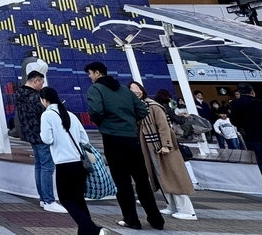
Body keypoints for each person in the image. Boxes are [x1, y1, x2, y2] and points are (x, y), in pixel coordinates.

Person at [84, 62, 164, 230]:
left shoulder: (96, 89)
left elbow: (96, 111)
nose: (90, 77)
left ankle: (131, 220)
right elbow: (142, 111)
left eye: (90, 73)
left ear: (97, 73)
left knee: (122, 181)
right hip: (132, 139)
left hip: (113, 139)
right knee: (142, 180)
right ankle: (156, 220)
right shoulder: (124, 89)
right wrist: (128, 121)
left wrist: (103, 122)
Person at [39, 86, 110, 235]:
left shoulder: (47, 115)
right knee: (78, 199)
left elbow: (47, 139)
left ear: (44, 100)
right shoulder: (70, 114)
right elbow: (85, 139)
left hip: (63, 164)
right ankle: (86, 232)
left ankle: (93, 230)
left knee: (66, 200)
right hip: (79, 163)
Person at [128, 81, 197, 220]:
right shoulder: (139, 107)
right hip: (150, 147)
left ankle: (188, 210)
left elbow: (163, 126)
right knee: (161, 177)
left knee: (173, 176)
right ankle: (171, 205)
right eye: (132, 90)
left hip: (163, 147)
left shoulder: (153, 106)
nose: (136, 92)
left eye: (138, 89)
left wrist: (166, 144)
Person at [16, 71, 65, 213]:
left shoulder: (19, 94)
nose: (42, 85)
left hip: (30, 135)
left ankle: (43, 199)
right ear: (36, 81)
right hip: (42, 135)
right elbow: (46, 112)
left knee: (39, 166)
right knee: (47, 168)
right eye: (42, 82)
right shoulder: (35, 97)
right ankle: (49, 200)